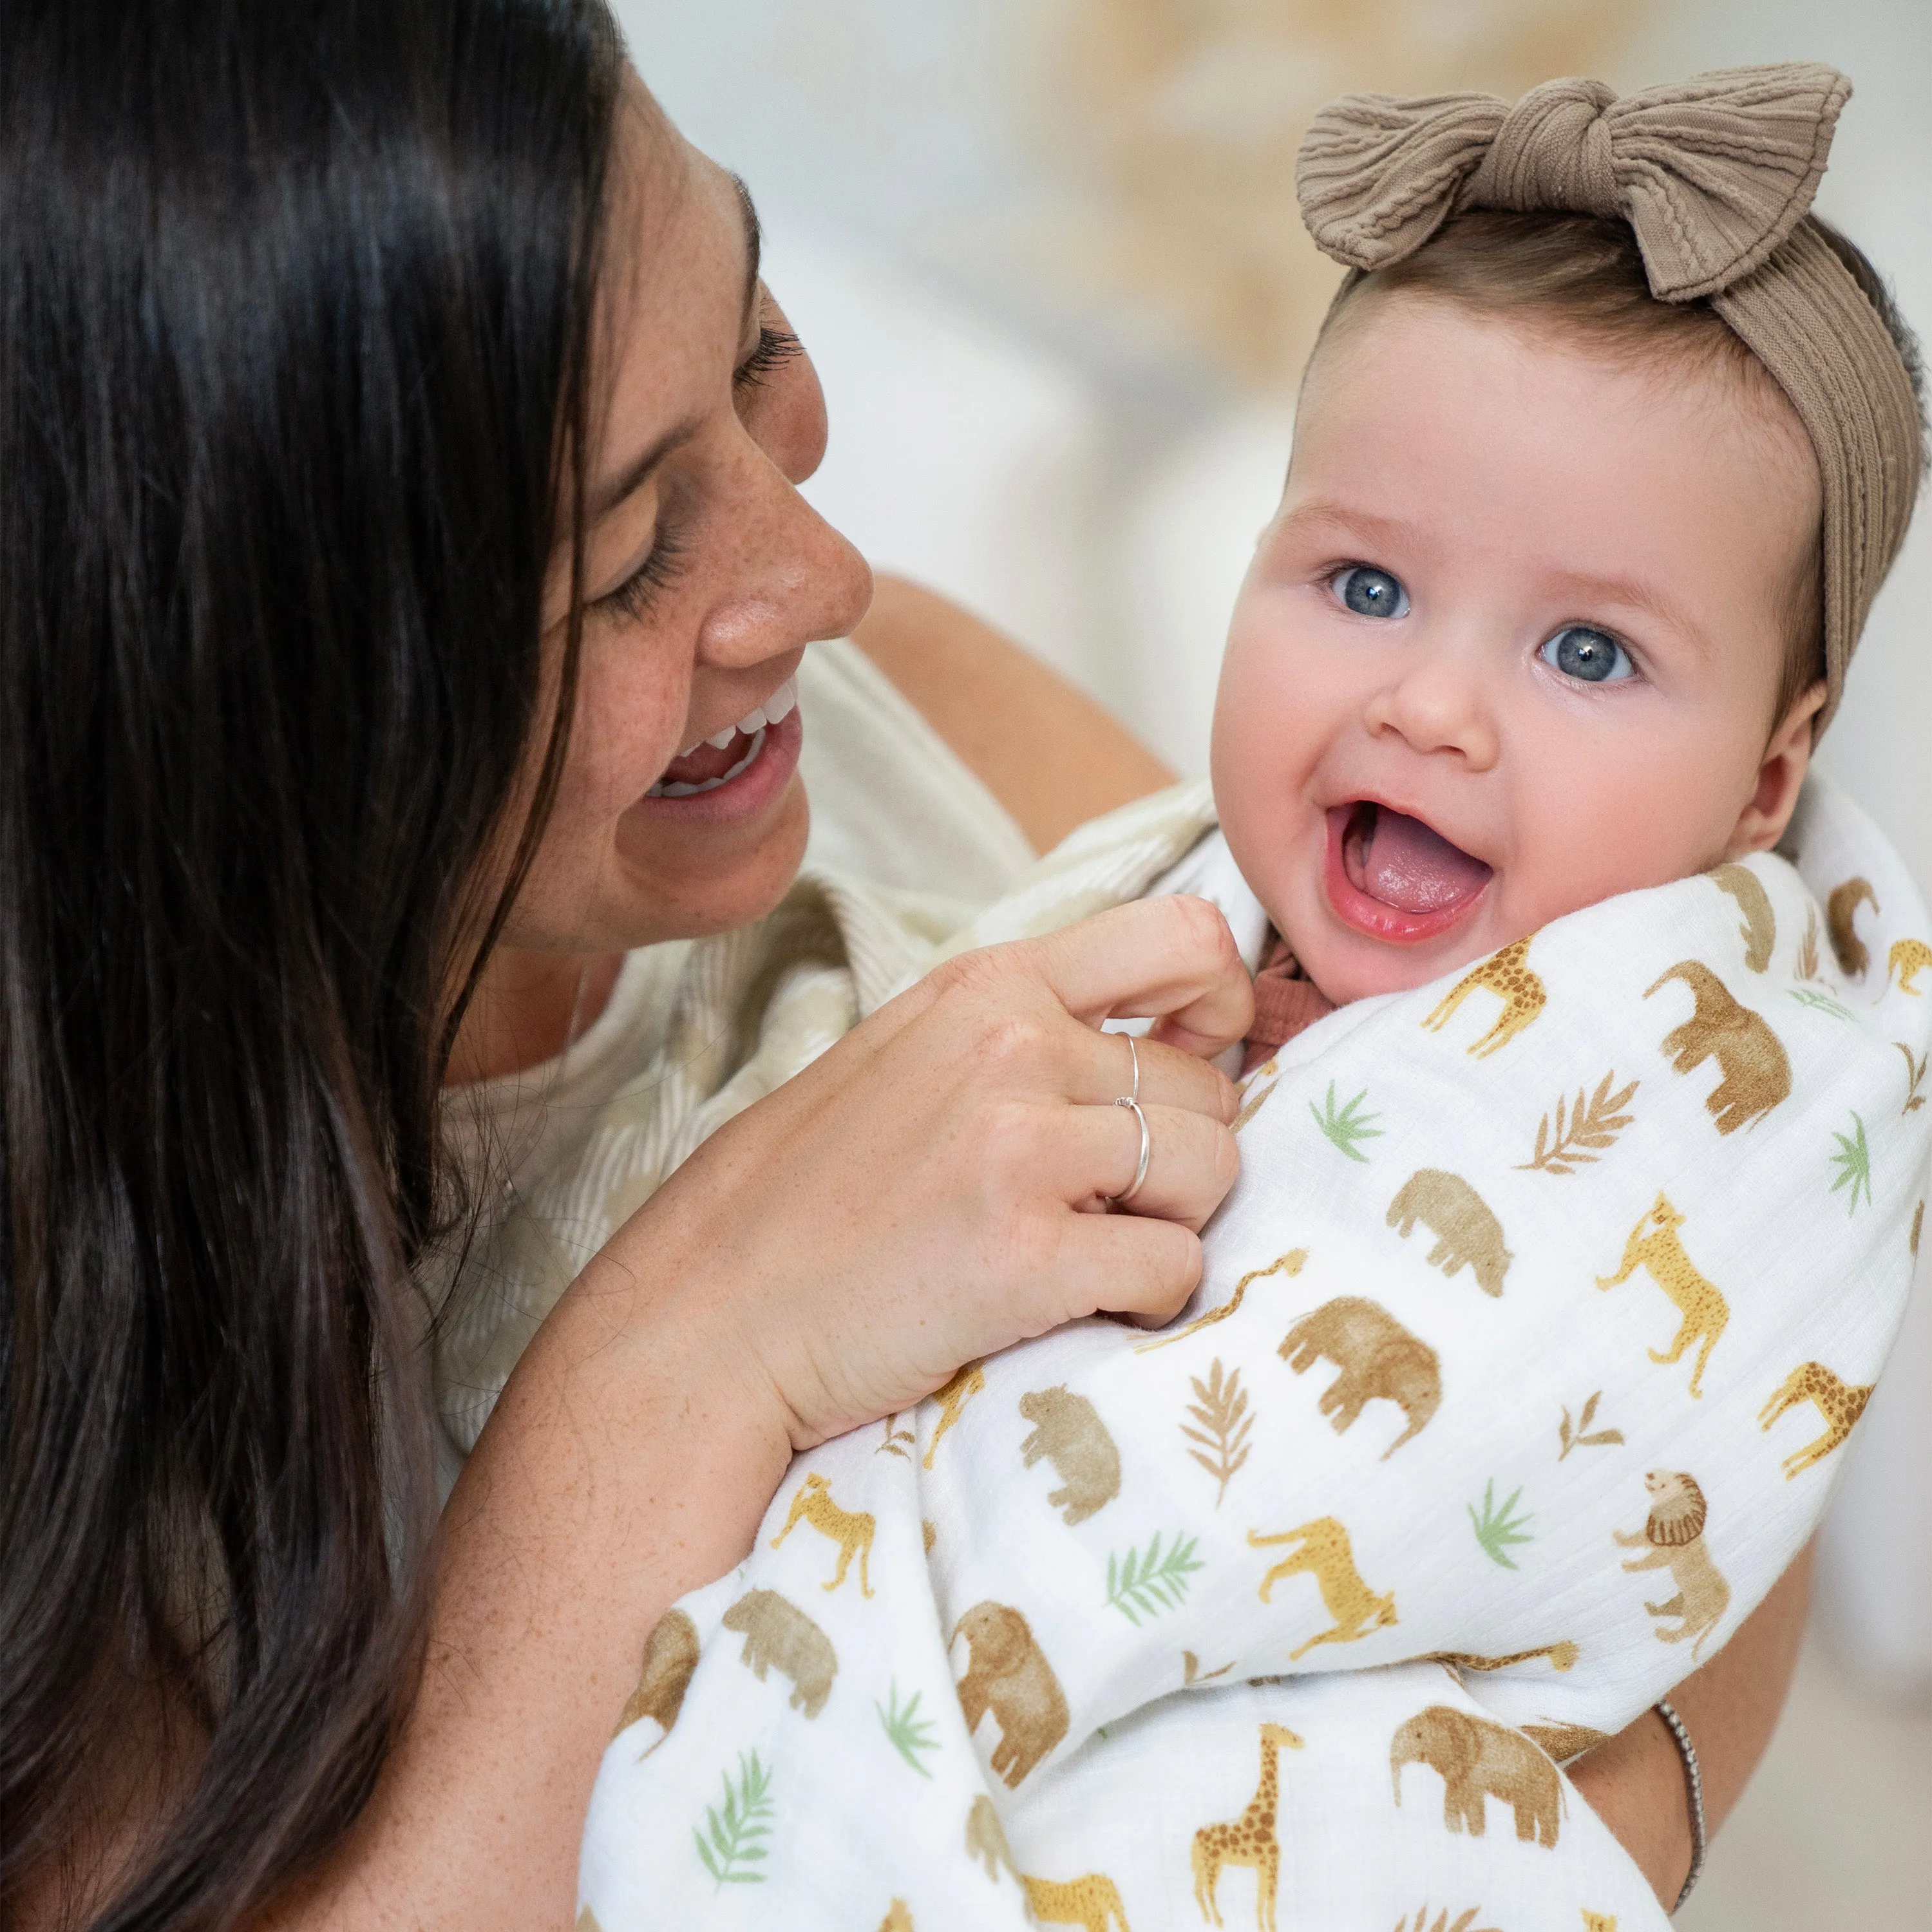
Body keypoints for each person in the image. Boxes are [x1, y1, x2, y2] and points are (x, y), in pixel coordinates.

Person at [0, 9, 1819, 1929]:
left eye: (756, 340)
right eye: (628, 563)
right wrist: (682, 1356)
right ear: (233, 705)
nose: (823, 581)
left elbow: (1690, 1260)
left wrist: (1580, 1829)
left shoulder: (888, 716)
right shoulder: (80, 1391)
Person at [569, 66, 1931, 1931]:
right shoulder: (1175, 888)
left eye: (1590, 650)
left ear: (1769, 787)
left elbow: (1597, 1402)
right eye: (1363, 580)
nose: (1432, 708)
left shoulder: (1686, 1055)